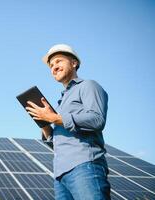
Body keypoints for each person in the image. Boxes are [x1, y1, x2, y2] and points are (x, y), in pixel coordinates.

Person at [25, 44, 111, 200]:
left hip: (85, 166)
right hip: (60, 176)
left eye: (58, 61)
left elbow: (97, 119)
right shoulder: (60, 104)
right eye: (51, 66)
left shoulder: (88, 86)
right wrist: (44, 125)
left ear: (74, 63)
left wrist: (54, 118)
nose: (54, 67)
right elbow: (57, 142)